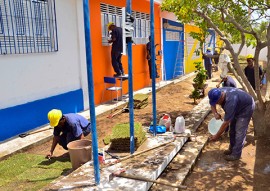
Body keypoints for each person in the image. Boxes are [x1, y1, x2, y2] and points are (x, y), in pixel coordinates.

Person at [208, 88, 255, 161]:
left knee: (239, 131)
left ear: (221, 98)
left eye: (217, 102)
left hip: (246, 108)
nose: (216, 103)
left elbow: (226, 123)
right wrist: (215, 113)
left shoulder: (230, 102)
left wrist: (217, 136)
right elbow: (212, 103)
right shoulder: (217, 92)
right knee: (232, 129)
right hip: (238, 105)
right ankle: (232, 148)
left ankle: (236, 154)